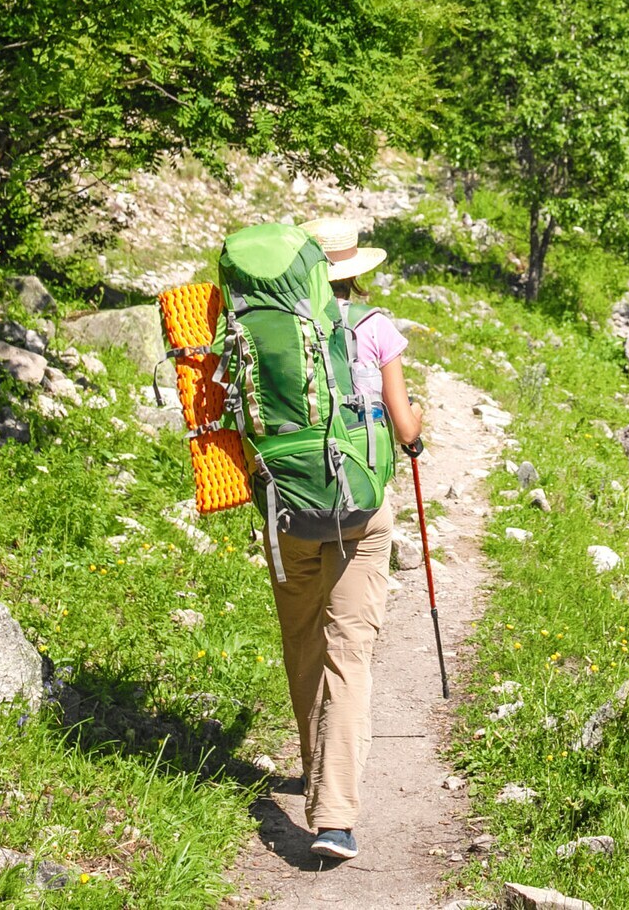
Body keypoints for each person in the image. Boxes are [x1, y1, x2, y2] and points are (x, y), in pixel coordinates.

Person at [266, 216, 421, 863]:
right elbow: (404, 424)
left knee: (302, 641)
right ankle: (333, 817)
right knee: (347, 653)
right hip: (360, 512)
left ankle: (312, 765)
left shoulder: (274, 335)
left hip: (287, 510)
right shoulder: (375, 328)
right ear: (356, 272)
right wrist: (415, 433)